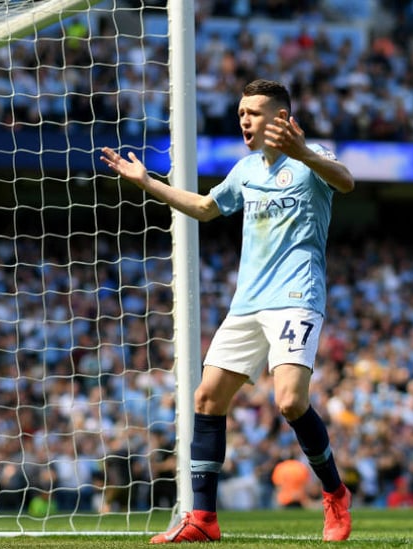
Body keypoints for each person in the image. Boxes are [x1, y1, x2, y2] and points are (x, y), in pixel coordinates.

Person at [101, 78, 356, 543]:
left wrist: (306, 155)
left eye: (254, 112)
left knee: (290, 401)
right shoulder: (245, 170)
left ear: (280, 117)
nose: (244, 119)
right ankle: (203, 518)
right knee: (206, 398)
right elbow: (203, 207)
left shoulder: (312, 158)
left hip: (297, 296)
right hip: (248, 303)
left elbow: (347, 181)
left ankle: (335, 494)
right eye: (241, 112)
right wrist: (147, 182)